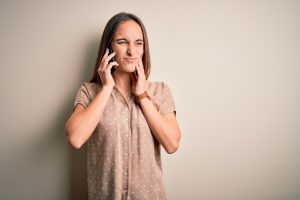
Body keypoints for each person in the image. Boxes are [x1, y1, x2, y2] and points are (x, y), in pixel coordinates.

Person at [64, 12, 181, 200]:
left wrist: (142, 95)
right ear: (109, 46)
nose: (132, 51)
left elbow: (172, 144)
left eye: (138, 43)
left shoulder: (160, 91)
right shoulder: (89, 92)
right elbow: (75, 138)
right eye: (122, 42)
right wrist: (107, 88)